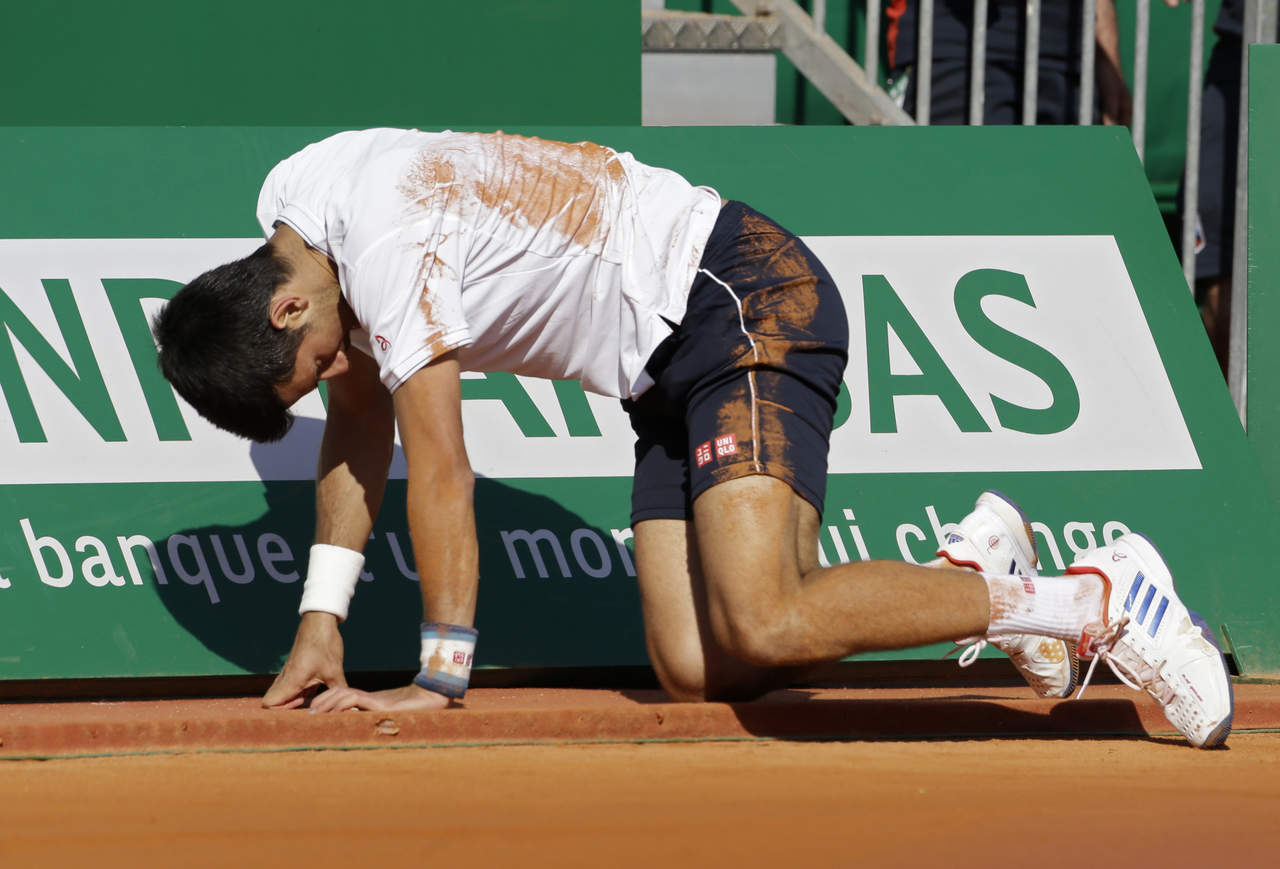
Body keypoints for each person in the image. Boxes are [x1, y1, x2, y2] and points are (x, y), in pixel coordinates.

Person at [154, 128, 1232, 747]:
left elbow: (440, 471)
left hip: (739, 296)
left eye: (313, 364)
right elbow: (359, 425)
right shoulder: (297, 205)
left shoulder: (385, 249)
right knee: (698, 665)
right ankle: (970, 580)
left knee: (766, 615)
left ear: (286, 308)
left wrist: (438, 676)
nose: (335, 379)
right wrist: (321, 621)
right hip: (659, 373)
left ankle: (1094, 598)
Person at [886, 0, 1131, 126]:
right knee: (967, 198)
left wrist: (1105, 51)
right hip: (959, 49)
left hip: (1064, 51)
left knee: (1065, 202)